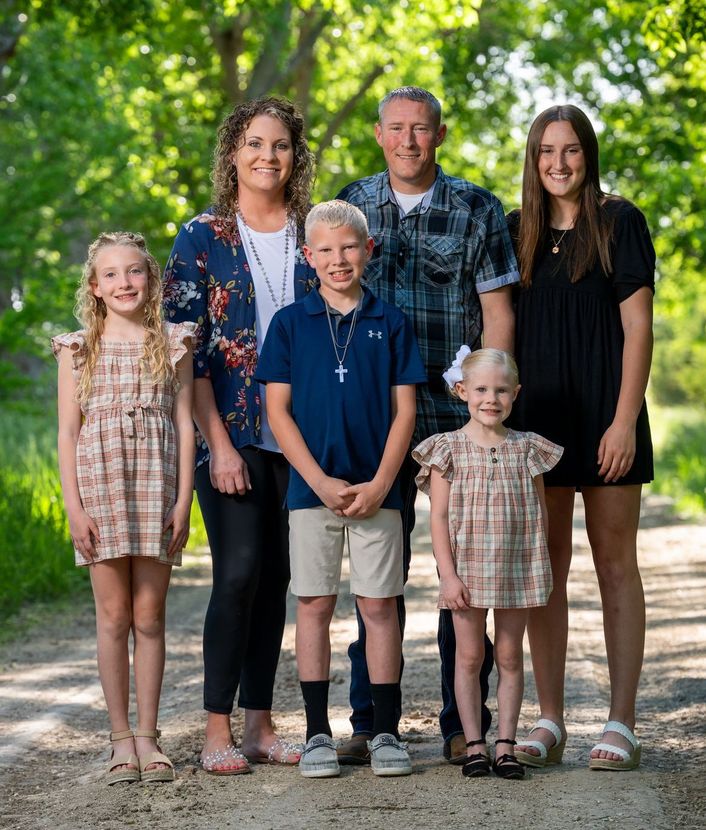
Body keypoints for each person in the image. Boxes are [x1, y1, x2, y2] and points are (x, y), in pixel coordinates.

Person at [337, 86, 519, 765]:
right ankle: (370, 720)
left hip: (456, 420)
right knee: (376, 576)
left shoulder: (477, 208)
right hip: (375, 422)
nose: (409, 140)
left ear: (439, 135)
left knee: (461, 578)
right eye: (397, 129)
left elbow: (497, 314)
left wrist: (480, 394)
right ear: (379, 134)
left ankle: (458, 722)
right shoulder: (350, 207)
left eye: (421, 129)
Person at [162, 97, 316, 774]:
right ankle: (216, 730)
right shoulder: (201, 237)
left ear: (295, 157)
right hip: (231, 431)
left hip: (306, 433)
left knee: (280, 577)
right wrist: (217, 444)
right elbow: (183, 350)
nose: (267, 156)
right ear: (233, 153)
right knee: (239, 574)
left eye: (280, 145)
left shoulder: (315, 231)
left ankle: (261, 725)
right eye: (254, 143)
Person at [256, 200, 427, 778]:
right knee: (314, 604)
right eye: (325, 249)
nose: (338, 259)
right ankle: (316, 734)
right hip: (313, 491)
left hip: (379, 491)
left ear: (368, 251)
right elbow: (278, 413)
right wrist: (318, 479)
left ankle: (384, 731)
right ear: (309, 257)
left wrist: (382, 481)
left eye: (349, 247)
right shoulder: (288, 324)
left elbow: (406, 412)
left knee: (379, 606)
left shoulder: (391, 321)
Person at [508, 104, 655, 771]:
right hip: (536, 422)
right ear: (533, 160)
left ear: (588, 155)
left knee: (615, 566)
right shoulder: (517, 234)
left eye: (570, 151)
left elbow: (638, 329)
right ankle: (550, 719)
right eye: (546, 152)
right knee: (545, 573)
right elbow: (499, 333)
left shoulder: (621, 223)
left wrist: (624, 419)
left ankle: (621, 721)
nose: (558, 164)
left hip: (606, 416)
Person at [54, 231, 195, 784]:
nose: (124, 283)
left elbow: (185, 427)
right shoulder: (76, 350)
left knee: (150, 617)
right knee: (113, 617)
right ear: (94, 287)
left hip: (157, 489)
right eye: (111, 274)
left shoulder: (175, 342)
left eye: (134, 271)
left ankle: (149, 738)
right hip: (100, 490)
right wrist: (74, 508)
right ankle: (118, 741)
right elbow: (68, 433)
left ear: (151, 280)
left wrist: (184, 503)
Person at [413, 348, 562, 780]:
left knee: (511, 656)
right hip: (468, 573)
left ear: (515, 393)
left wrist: (539, 565)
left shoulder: (527, 449)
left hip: (516, 569)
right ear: (462, 391)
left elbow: (540, 513)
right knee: (470, 656)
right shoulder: (447, 449)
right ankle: (474, 742)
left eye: (500, 390)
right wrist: (448, 575)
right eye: (480, 389)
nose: (490, 399)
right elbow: (438, 518)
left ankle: (506, 745)